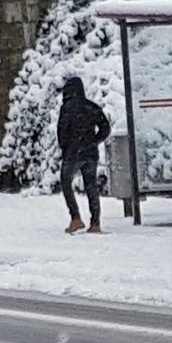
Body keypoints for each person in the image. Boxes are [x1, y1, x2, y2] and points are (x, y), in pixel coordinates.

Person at [56, 76, 112, 235]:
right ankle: (95, 223)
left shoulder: (67, 108)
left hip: (73, 153)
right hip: (90, 153)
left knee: (66, 182)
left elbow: (62, 132)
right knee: (91, 186)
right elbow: (106, 128)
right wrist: (94, 140)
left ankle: (75, 218)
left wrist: (66, 147)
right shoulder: (92, 107)